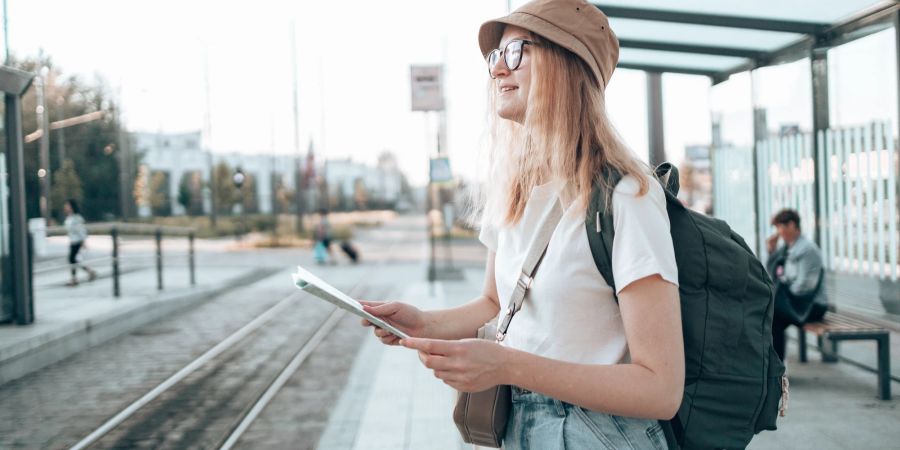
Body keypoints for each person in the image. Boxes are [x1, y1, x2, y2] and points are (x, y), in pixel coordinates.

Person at [360, 1, 683, 448]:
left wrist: (508, 366)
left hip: (600, 432)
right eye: (496, 57)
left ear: (566, 65)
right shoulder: (514, 193)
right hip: (519, 426)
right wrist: (422, 323)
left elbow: (661, 388)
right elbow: (495, 302)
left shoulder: (626, 198)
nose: (496, 71)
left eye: (515, 52)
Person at [765, 209, 828, 361]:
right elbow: (771, 273)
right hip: (795, 303)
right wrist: (771, 251)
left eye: (780, 227)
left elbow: (806, 285)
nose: (779, 232)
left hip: (811, 306)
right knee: (769, 318)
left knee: (773, 319)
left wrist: (783, 297)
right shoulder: (786, 248)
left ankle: (776, 370)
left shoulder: (808, 249)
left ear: (792, 225)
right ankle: (775, 367)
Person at [63, 199, 97, 286]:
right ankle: (90, 272)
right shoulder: (69, 217)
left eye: (68, 205)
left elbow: (81, 230)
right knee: (75, 260)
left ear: (72, 206)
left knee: (72, 259)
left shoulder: (77, 218)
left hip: (77, 241)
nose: (66, 207)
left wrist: (83, 241)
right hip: (73, 241)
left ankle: (74, 279)